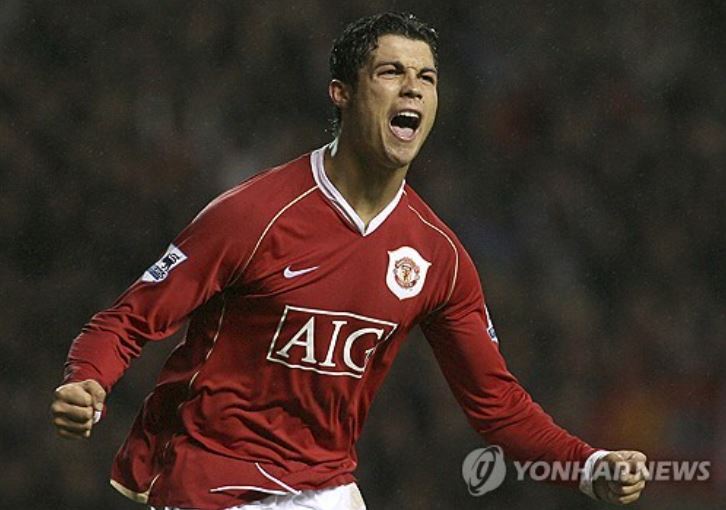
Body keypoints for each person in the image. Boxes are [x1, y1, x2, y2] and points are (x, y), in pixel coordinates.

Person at [50, 12, 648, 510]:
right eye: (391, 72)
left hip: (324, 488)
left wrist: (589, 465)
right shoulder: (254, 215)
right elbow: (127, 319)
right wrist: (87, 380)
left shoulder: (437, 257)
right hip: (211, 480)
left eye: (427, 77)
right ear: (342, 92)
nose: (413, 89)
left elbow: (497, 405)